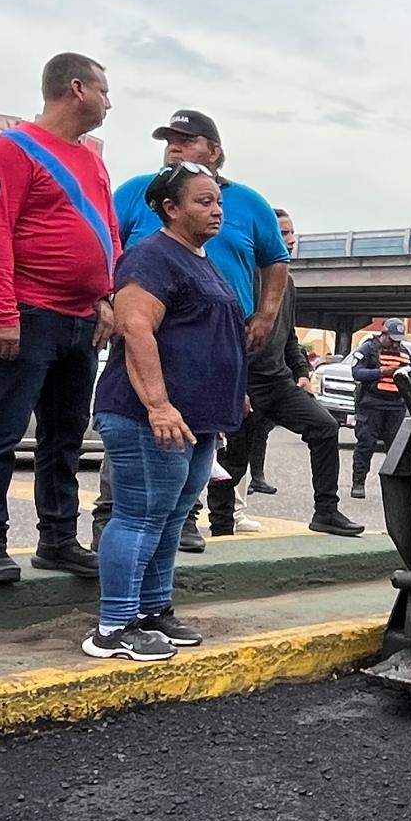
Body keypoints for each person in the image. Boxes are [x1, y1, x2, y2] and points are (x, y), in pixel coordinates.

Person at [0, 55, 118, 586]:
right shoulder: (10, 150)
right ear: (77, 89)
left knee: (66, 436)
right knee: (1, 431)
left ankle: (57, 539)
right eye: (104, 90)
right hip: (29, 316)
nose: (108, 101)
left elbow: (108, 233)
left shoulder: (92, 160)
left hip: (80, 320)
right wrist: (3, 312)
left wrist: (106, 295)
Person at [105, 109, 288, 551]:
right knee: (140, 495)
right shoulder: (139, 196)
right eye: (169, 139)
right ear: (169, 209)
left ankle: (179, 532)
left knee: (181, 484)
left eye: (186, 140)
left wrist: (265, 315)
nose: (174, 145)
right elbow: (107, 243)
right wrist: (103, 299)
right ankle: (113, 544)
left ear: (215, 151)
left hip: (213, 353)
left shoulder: (246, 204)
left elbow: (275, 259)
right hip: (150, 340)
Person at [85, 163, 247, 660]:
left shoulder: (200, 258)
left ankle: (153, 610)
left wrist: (230, 391)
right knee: (139, 515)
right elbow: (136, 330)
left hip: (195, 421)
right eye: (202, 201)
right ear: (170, 208)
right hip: (144, 415)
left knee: (173, 514)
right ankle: (113, 626)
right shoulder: (151, 257)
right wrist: (157, 405)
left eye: (217, 200)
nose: (215, 209)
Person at [219, 209, 359, 536]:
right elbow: (225, 335)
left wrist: (303, 372)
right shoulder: (244, 275)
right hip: (244, 382)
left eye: (292, 232)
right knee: (234, 462)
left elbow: (289, 336)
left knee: (324, 427)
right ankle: (221, 525)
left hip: (278, 382)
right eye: (282, 233)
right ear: (264, 238)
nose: (290, 239)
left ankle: (326, 511)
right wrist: (235, 386)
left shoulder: (287, 282)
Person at [350, 318, 411, 498]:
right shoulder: (368, 349)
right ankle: (358, 483)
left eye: (398, 340)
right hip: (372, 406)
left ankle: (397, 490)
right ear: (383, 333)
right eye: (392, 339)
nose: (395, 343)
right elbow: (356, 372)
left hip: (396, 407)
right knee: (365, 445)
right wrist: (381, 373)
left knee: (397, 449)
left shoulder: (405, 352)